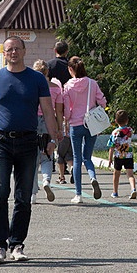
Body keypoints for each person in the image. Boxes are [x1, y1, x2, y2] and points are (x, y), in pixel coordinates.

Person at [0, 36, 59, 264]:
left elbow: (48, 111)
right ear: (4, 52)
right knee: (0, 192)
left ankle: (17, 243)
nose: (13, 53)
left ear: (24, 51)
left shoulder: (36, 79)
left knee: (23, 195)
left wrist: (53, 138)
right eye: (9, 49)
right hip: (1, 141)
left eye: (16, 49)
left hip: (28, 142)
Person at [62, 56, 107, 204]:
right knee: (87, 157)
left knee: (76, 158)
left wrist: (66, 120)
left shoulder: (67, 86)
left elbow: (67, 112)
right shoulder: (92, 83)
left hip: (76, 124)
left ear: (70, 69)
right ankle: (93, 177)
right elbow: (102, 101)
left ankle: (78, 194)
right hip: (91, 124)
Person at [31, 60, 64, 203]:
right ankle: (46, 181)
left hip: (32, 122)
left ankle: (32, 195)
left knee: (32, 159)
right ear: (47, 72)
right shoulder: (56, 88)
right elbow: (59, 111)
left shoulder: (31, 86)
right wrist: (59, 129)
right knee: (47, 156)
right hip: (49, 124)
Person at [48, 41, 73, 184]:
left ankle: (52, 163)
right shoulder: (70, 66)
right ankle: (69, 165)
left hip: (53, 101)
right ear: (66, 51)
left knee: (53, 133)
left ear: (54, 50)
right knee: (66, 133)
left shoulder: (50, 65)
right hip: (69, 101)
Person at [107, 109, 137, 199]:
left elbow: (111, 147)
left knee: (116, 174)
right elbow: (129, 135)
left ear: (115, 121)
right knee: (130, 175)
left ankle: (115, 192)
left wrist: (109, 159)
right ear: (127, 120)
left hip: (118, 156)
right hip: (128, 155)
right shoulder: (129, 130)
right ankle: (133, 189)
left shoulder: (114, 133)